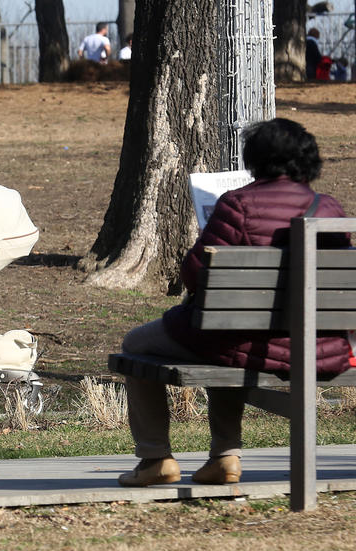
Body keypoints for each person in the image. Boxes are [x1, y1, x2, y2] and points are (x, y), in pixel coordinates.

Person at [117, 118, 350, 487]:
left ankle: (155, 458)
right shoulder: (329, 209)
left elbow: (194, 275)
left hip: (245, 342)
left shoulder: (238, 205)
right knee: (225, 338)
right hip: (319, 348)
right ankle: (222, 457)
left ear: (256, 159)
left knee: (136, 346)